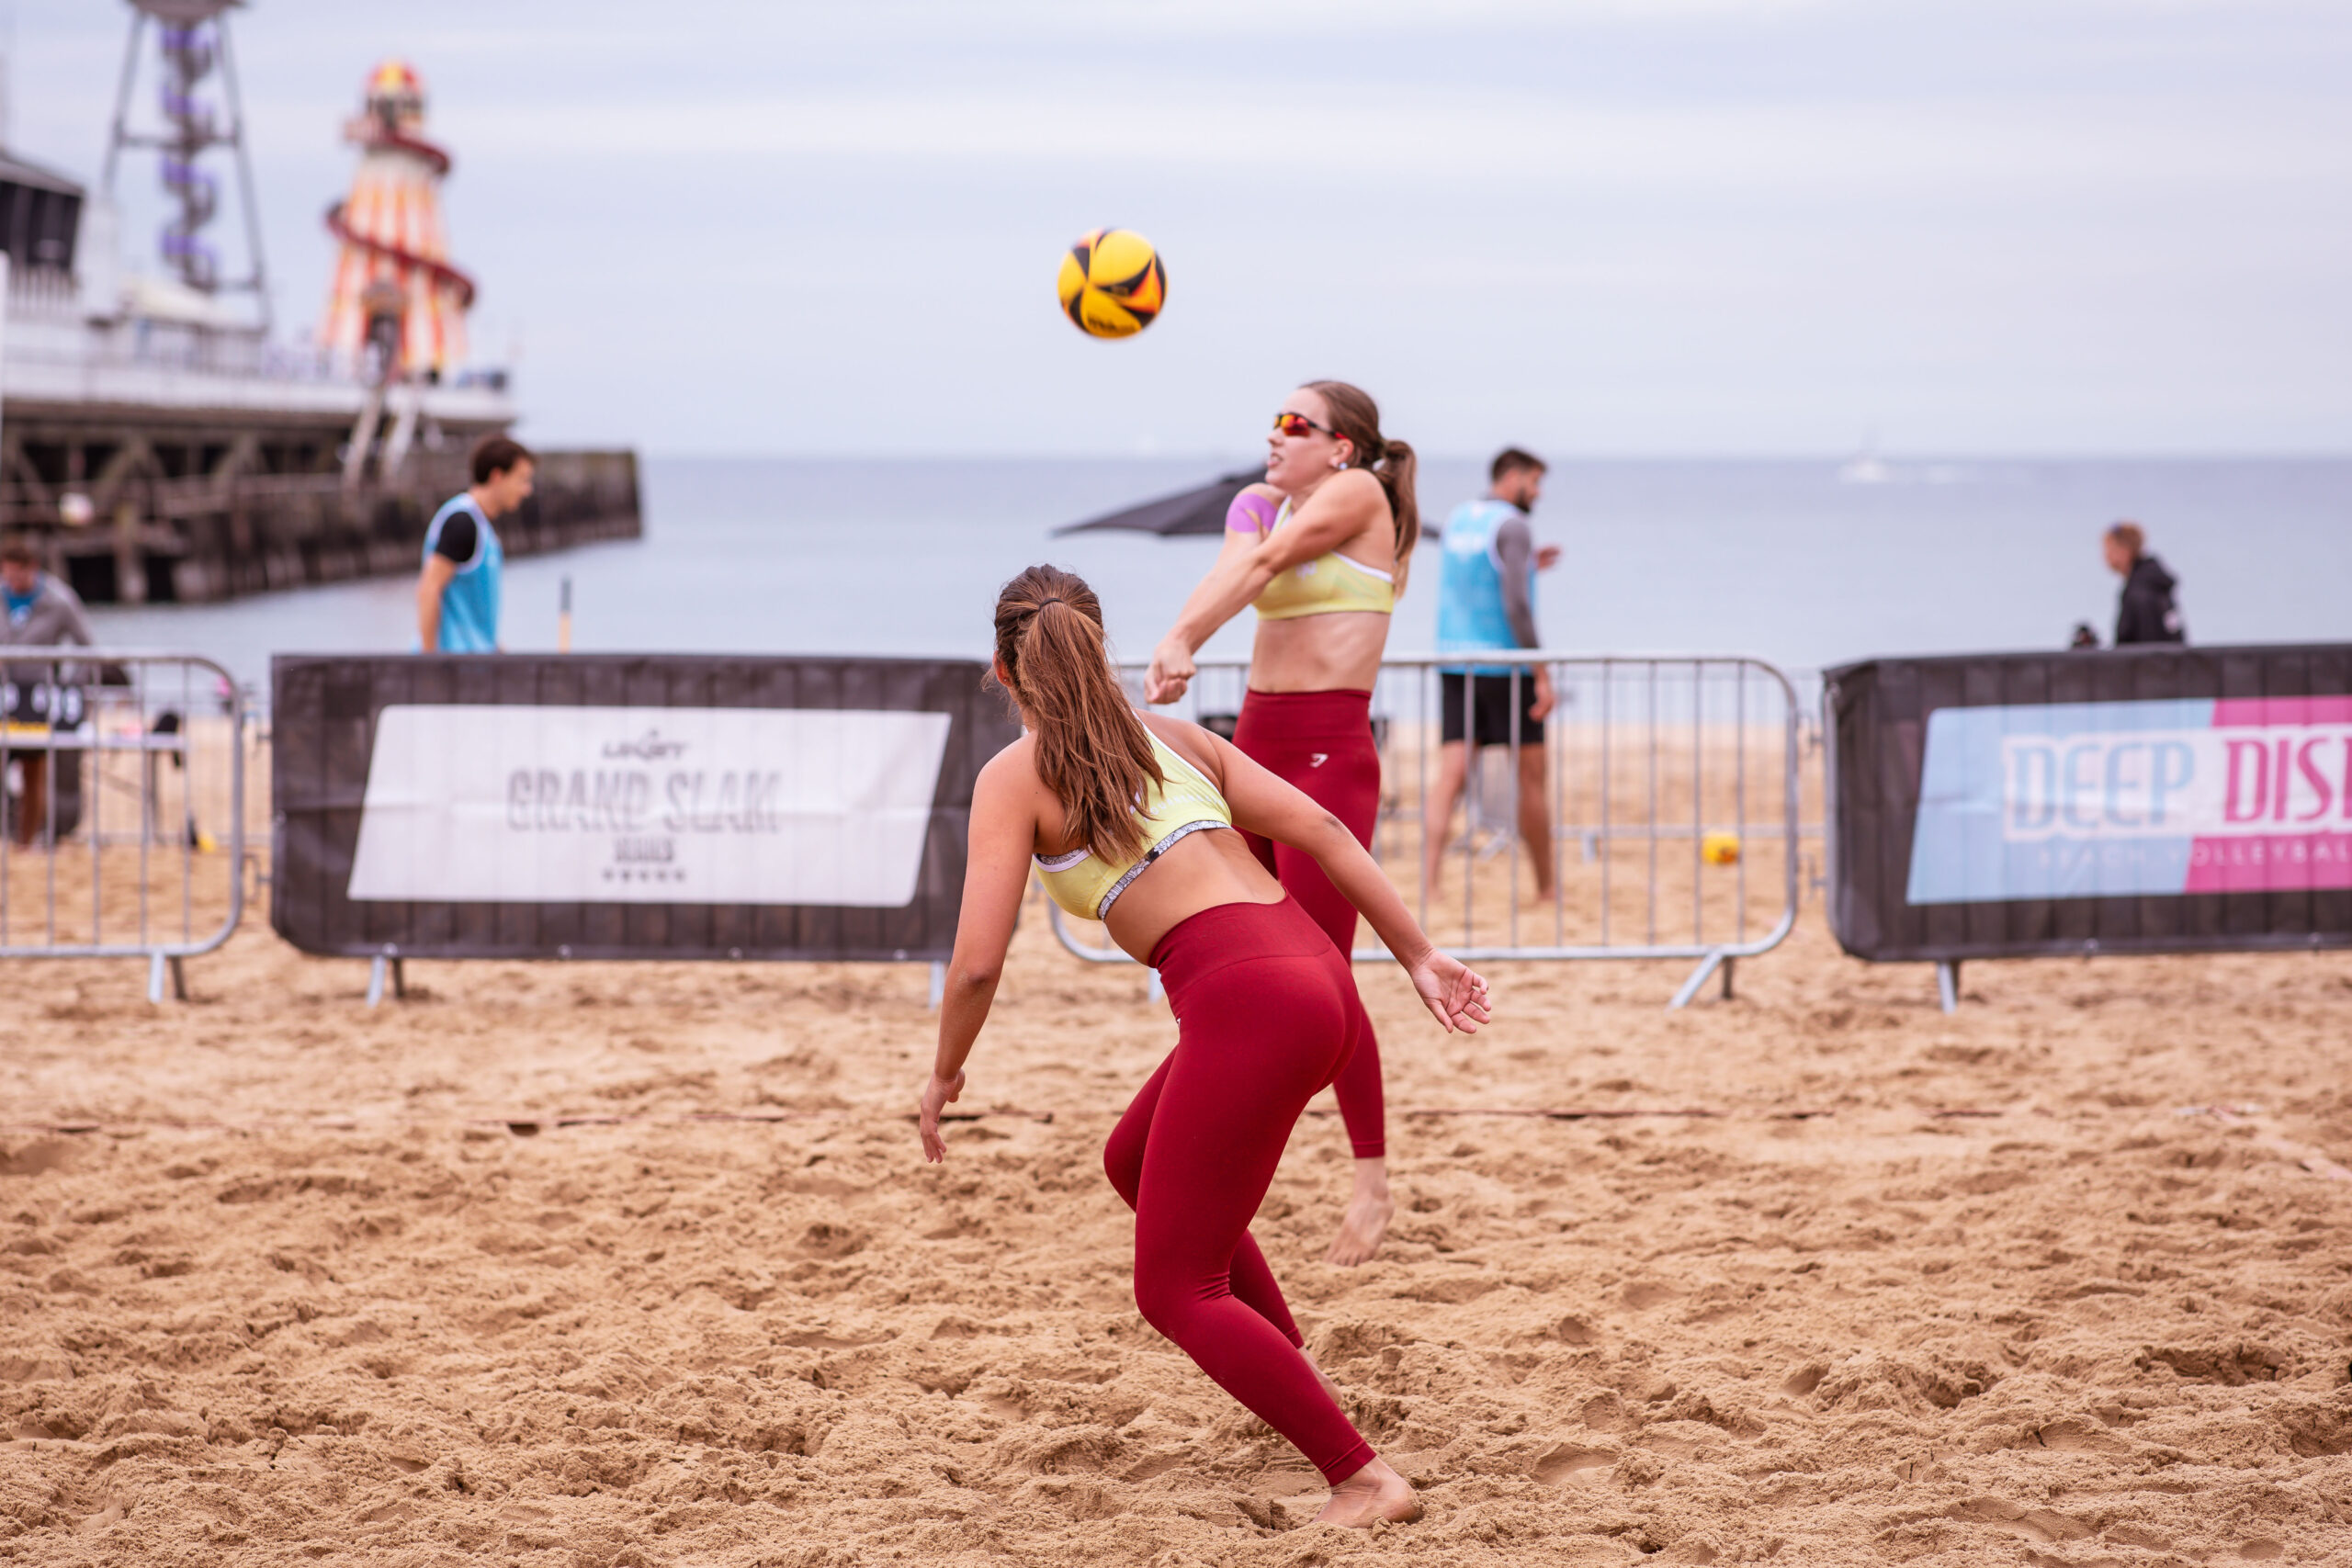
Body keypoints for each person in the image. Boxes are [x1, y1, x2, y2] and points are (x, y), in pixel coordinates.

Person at [918, 565, 1488, 1529]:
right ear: (1104, 650)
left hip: (1246, 1002)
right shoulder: (1176, 737)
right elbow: (1318, 829)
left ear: (1001, 671)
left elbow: (975, 965)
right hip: (1317, 981)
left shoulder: (1014, 774)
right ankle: (1289, 1372)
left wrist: (942, 1073)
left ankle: (1363, 1479)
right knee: (1130, 1160)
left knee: (1174, 1290)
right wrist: (1417, 955)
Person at [1141, 381, 1415, 1268]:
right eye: (1272, 419)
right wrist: (1187, 626)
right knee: (1246, 959)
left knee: (1327, 976)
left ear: (1342, 446)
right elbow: (1237, 565)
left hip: (1330, 750)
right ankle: (1212, 1150)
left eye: (1296, 423)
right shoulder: (1257, 502)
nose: (1275, 433)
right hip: (1253, 743)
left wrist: (1180, 640)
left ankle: (1371, 1181)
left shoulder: (1359, 494)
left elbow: (1262, 569)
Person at [1421, 448, 1559, 902]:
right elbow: (1516, 605)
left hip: (1456, 662)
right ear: (1513, 476)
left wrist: (1529, 562)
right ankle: (1546, 887)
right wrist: (1541, 671)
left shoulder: (1461, 518)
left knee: (1451, 776)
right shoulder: (1513, 525)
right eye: (1535, 482)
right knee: (1532, 777)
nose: (1537, 493)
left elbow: (1477, 580)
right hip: (1505, 666)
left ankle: (1430, 884)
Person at [0, 536, 94, 848]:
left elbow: (87, 647)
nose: (12, 582)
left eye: (17, 575)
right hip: (4, 694)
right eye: (7, 575)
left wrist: (69, 688)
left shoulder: (59, 600)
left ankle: (28, 838)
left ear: (33, 569)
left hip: (36, 698)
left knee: (32, 769)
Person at [416, 434, 534, 652]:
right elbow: (428, 589)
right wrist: (429, 664)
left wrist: (494, 648)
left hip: (473, 664)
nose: (527, 490)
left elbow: (470, 617)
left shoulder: (481, 526)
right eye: (522, 479)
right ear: (497, 476)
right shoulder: (462, 522)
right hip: (453, 669)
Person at [2103, 522, 2186, 646]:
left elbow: (2146, 647)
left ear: (2124, 551)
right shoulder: (2157, 585)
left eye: (2109, 550)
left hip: (2148, 664)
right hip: (2171, 663)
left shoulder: (2140, 592)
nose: (2106, 557)